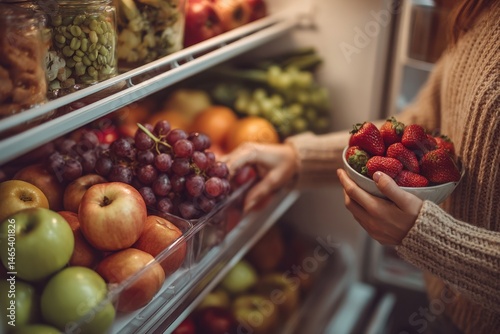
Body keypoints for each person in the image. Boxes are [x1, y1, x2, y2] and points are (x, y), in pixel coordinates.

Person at [222, 0, 499, 333]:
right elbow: (418, 130)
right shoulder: (479, 10)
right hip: (445, 297)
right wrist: (300, 157)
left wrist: (431, 239)